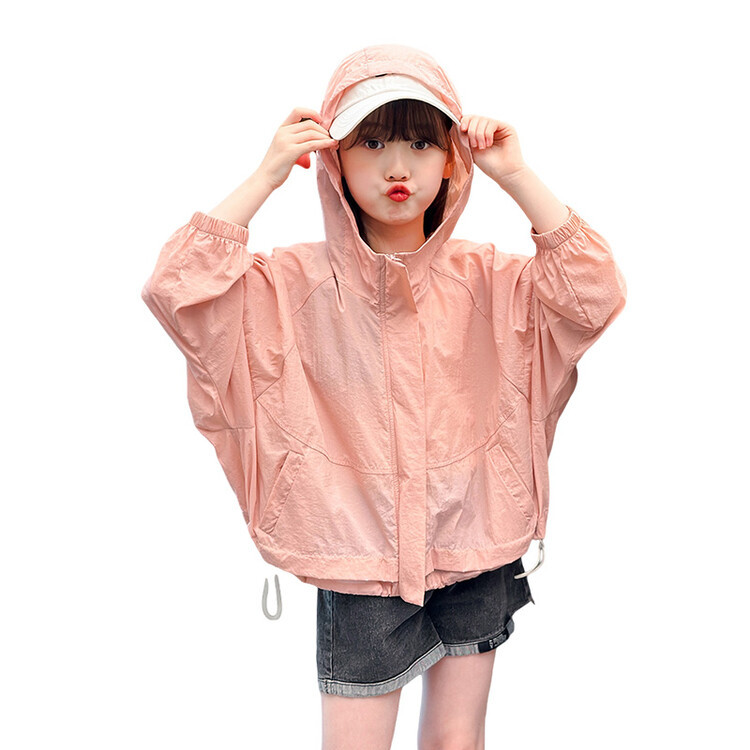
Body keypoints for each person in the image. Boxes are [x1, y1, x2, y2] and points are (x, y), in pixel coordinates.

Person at [141, 44, 627, 750]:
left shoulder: (490, 277)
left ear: (451, 161)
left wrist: (518, 177)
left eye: (421, 144)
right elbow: (176, 292)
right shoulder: (289, 283)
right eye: (371, 143)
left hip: (476, 541)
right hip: (357, 556)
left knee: (457, 740)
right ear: (334, 159)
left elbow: (595, 295)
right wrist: (266, 175)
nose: (398, 167)